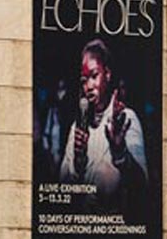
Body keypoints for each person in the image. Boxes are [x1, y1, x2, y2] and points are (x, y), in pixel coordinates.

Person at [60, 39, 148, 213]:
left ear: (107, 74)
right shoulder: (77, 129)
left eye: (94, 76)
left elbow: (142, 184)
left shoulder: (125, 119)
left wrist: (120, 152)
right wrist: (77, 163)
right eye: (84, 80)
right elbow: (62, 189)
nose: (89, 86)